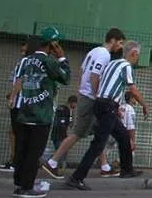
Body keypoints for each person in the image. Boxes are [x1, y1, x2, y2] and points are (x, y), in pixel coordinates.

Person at [63, 40, 148, 191]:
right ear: (134, 54)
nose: (137, 58)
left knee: (123, 136)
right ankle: (77, 177)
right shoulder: (126, 66)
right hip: (108, 106)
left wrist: (117, 107)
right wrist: (145, 105)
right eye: (137, 55)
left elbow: (108, 84)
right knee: (98, 144)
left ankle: (127, 169)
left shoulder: (112, 63)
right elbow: (132, 89)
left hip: (103, 104)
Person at [41, 28, 126, 178]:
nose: (120, 46)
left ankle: (105, 166)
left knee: (101, 132)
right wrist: (98, 95)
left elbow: (83, 70)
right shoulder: (104, 54)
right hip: (91, 98)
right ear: (112, 40)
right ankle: (52, 162)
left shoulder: (93, 51)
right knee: (78, 133)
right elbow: (95, 76)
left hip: (86, 95)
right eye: (119, 42)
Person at [10, 29, 71, 197]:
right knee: (34, 152)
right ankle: (27, 187)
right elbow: (65, 78)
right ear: (52, 44)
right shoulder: (48, 61)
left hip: (24, 112)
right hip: (41, 115)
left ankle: (19, 183)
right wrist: (62, 59)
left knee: (22, 150)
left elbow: (19, 80)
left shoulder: (26, 61)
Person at [0, 43, 28, 172]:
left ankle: (17, 161)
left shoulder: (25, 63)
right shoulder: (22, 63)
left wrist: (12, 97)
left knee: (18, 132)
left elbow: (20, 81)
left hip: (21, 103)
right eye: (21, 50)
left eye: (24, 50)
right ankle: (14, 158)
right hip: (19, 101)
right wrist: (11, 94)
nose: (22, 53)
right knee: (13, 132)